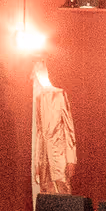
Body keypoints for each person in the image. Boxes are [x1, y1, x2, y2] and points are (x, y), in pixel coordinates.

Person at [31, 60, 77, 197]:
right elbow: (39, 134)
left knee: (62, 191)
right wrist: (37, 163)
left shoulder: (58, 94)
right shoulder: (37, 100)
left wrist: (71, 159)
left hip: (59, 154)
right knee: (47, 194)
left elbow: (69, 129)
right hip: (44, 157)